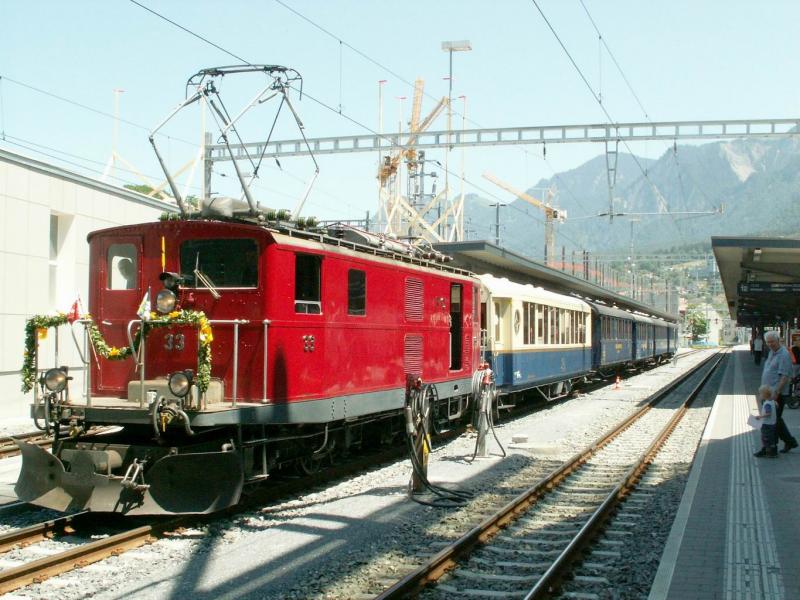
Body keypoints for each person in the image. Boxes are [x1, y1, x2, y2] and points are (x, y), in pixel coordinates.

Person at [761, 330, 798, 453]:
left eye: (772, 341)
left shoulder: (783, 355)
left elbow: (785, 376)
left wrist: (776, 393)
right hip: (767, 392)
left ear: (778, 340)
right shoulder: (772, 352)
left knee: (772, 420)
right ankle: (789, 442)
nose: (770, 344)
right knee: (775, 420)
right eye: (768, 342)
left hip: (776, 393)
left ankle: (770, 447)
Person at [753, 384, 778, 458]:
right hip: (772, 423)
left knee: (766, 437)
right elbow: (777, 406)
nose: (759, 395)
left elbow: (768, 413)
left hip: (767, 424)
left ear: (764, 395)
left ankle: (769, 452)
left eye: (760, 394)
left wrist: (760, 417)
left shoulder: (767, 403)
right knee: (770, 437)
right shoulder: (772, 401)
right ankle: (772, 451)